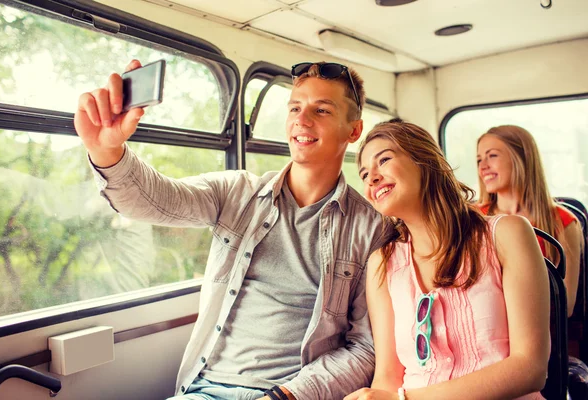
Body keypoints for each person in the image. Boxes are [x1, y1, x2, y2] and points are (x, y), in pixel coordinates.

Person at [74, 60, 389, 400]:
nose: (302, 119)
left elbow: (365, 349)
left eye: (321, 110)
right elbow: (153, 200)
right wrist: (106, 151)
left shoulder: (371, 229)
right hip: (204, 391)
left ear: (353, 131)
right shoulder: (237, 193)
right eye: (295, 107)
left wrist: (287, 396)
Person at [346, 120, 550, 400]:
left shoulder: (508, 234)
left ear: (425, 160)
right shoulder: (382, 264)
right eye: (365, 173)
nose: (372, 178)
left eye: (384, 160)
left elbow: (530, 368)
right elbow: (388, 375)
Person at [476, 125, 582, 316]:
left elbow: (565, 305)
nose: (483, 167)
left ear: (521, 158)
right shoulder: (473, 218)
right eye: (479, 160)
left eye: (492, 156)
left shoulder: (564, 221)